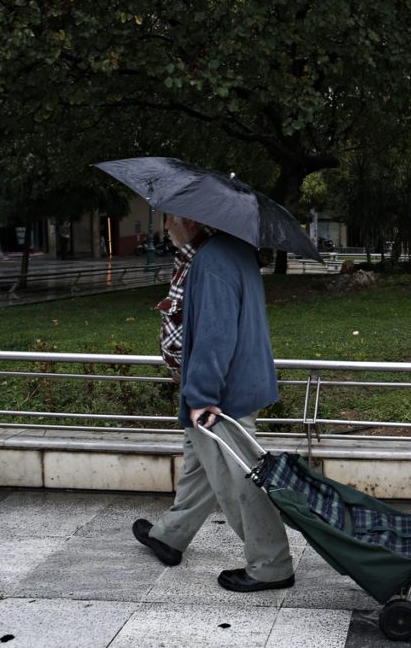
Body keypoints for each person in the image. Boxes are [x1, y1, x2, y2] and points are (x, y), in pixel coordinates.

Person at [132, 214, 294, 592]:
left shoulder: (213, 260)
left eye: (171, 218)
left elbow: (214, 335)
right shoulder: (229, 251)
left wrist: (201, 395)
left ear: (190, 220)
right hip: (231, 386)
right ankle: (169, 536)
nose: (167, 226)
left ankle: (272, 564)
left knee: (239, 481)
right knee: (199, 466)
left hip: (222, 397)